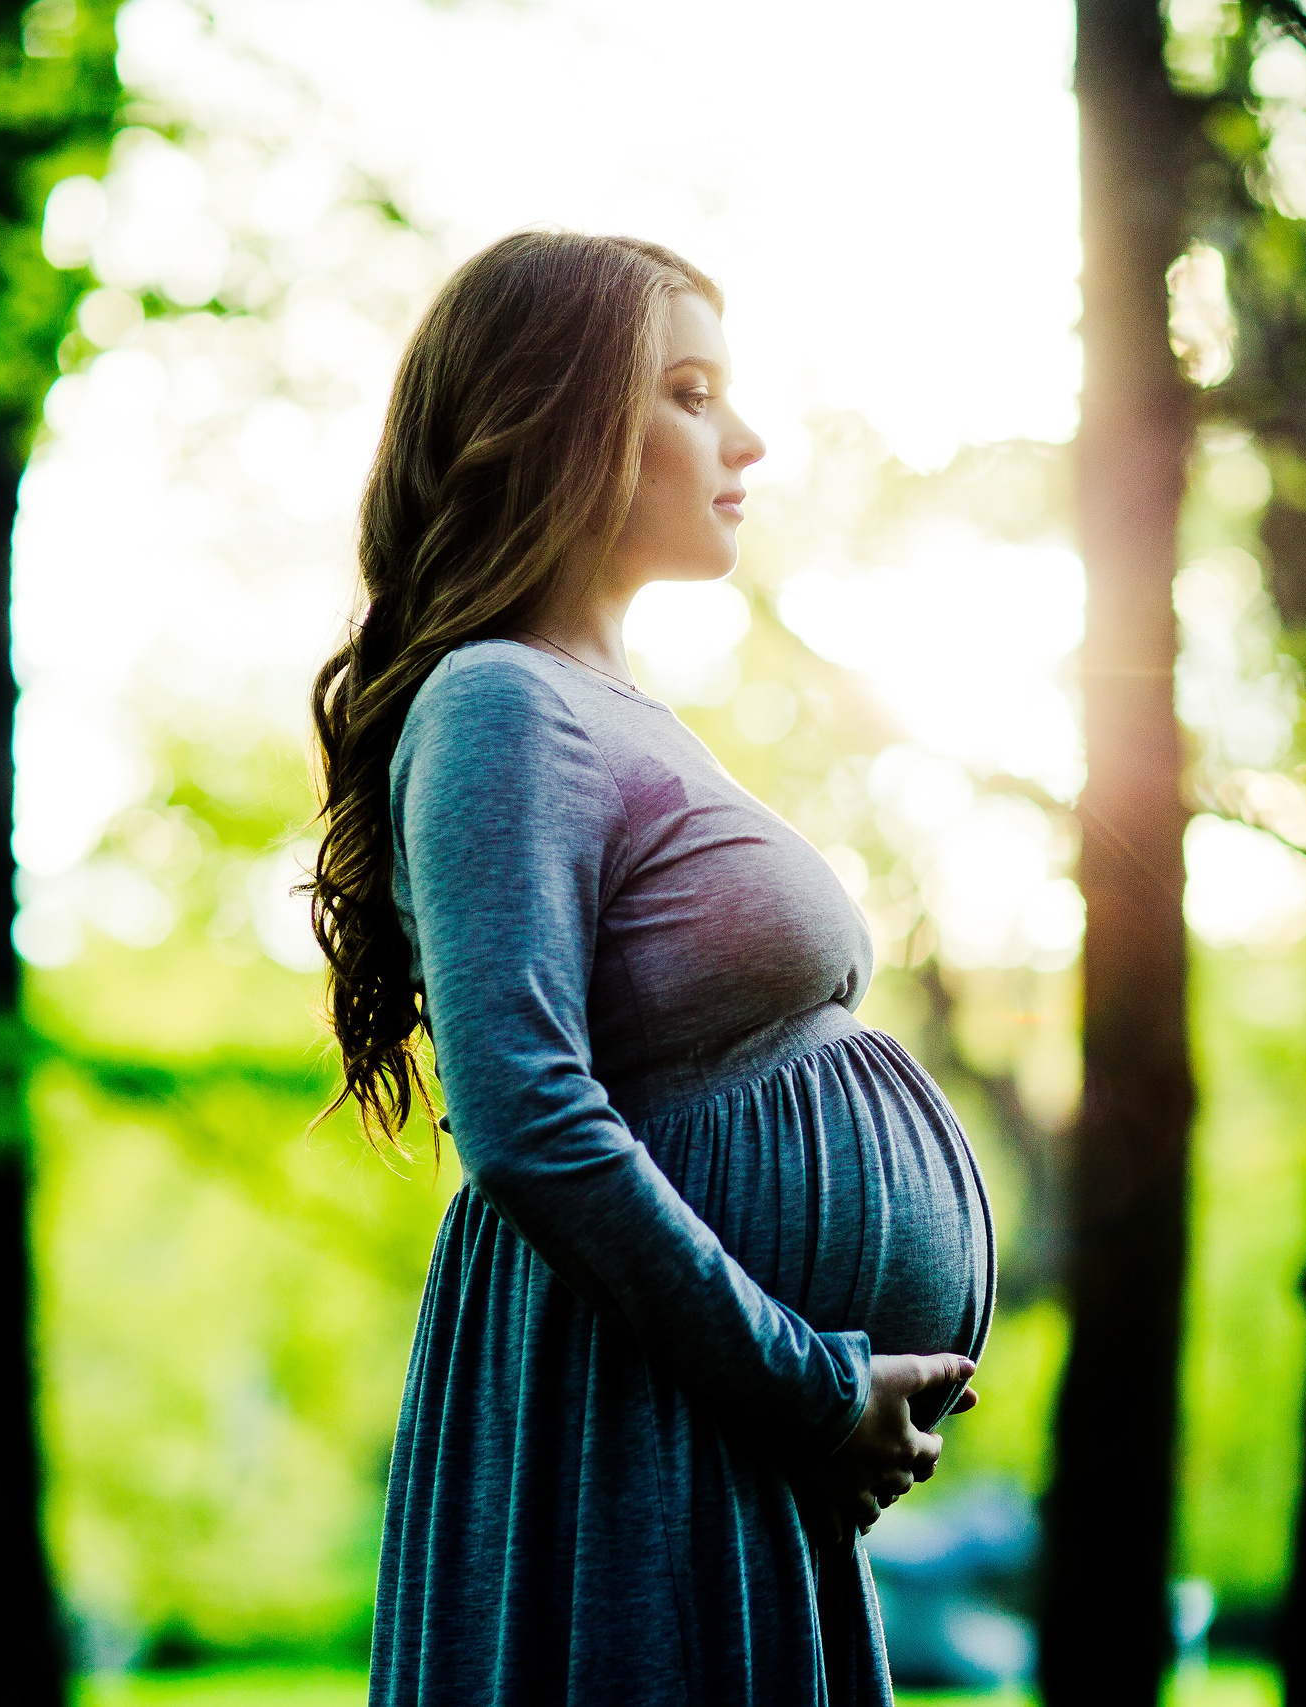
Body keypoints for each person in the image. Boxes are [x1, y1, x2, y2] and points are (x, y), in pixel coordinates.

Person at [306, 230, 997, 1705]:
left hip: (706, 1421)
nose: (744, 439)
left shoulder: (614, 711)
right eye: (689, 392)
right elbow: (526, 1117)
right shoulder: (499, 701)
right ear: (546, 418)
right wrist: (812, 1386)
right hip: (634, 1421)